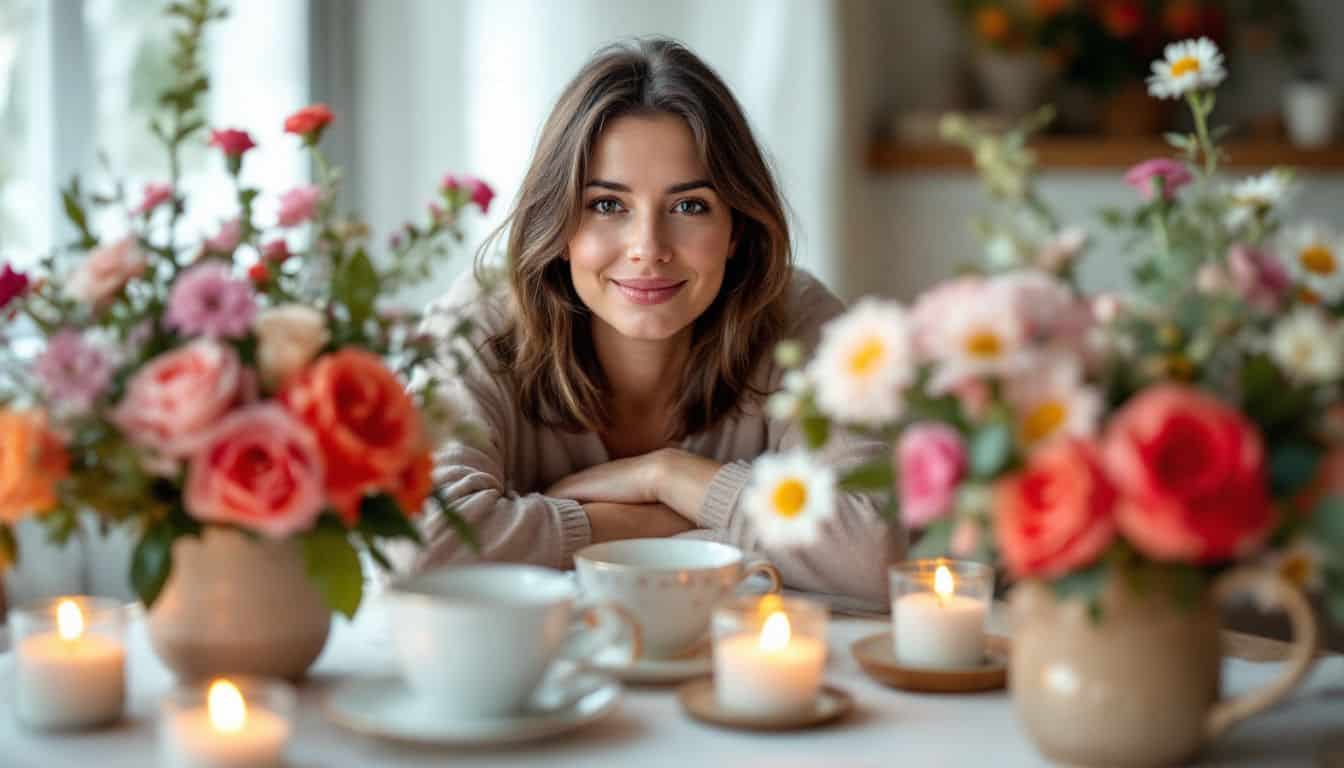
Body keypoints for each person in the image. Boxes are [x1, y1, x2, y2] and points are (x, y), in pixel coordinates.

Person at [415, 38, 895, 603]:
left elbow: (877, 553)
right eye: (607, 205)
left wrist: (664, 475)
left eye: (689, 206)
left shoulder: (799, 321)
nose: (648, 248)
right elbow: (419, 545)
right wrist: (646, 525)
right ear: (560, 227)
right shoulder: (482, 320)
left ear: (736, 228)